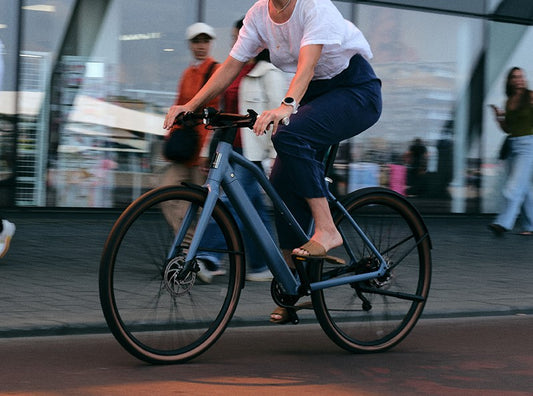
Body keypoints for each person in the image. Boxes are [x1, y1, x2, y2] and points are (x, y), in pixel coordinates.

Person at [164, 0, 382, 322]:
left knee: (289, 136)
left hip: (355, 90)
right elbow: (230, 65)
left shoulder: (313, 7)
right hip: (317, 95)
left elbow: (307, 65)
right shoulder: (258, 16)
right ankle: (296, 284)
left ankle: (326, 229)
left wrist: (285, 106)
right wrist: (192, 105)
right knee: (280, 182)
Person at [160, 22, 224, 281]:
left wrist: (210, 151)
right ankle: (188, 247)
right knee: (165, 192)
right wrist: (171, 137)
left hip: (202, 150)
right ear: (190, 44)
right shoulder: (188, 73)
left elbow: (218, 111)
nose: (200, 45)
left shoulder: (217, 70)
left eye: (205, 41)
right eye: (196, 41)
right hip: (184, 149)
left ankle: (193, 253)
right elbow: (178, 105)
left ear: (210, 44)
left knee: (199, 205)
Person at [488, 67, 533, 237]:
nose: (519, 79)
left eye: (521, 76)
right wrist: (499, 117)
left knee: (513, 187)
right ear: (510, 81)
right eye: (515, 77)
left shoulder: (530, 96)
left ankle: (503, 223)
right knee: (525, 188)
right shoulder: (509, 101)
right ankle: (531, 224)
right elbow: (508, 129)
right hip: (514, 145)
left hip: (529, 145)